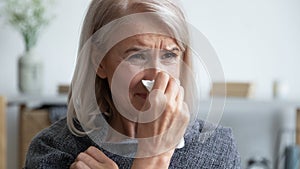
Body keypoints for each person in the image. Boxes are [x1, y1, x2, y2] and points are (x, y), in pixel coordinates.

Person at [25, 0, 241, 168]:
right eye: (136, 56)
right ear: (99, 62)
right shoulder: (54, 150)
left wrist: (156, 154)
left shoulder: (218, 147)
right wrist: (154, 158)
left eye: (169, 55)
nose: (156, 76)